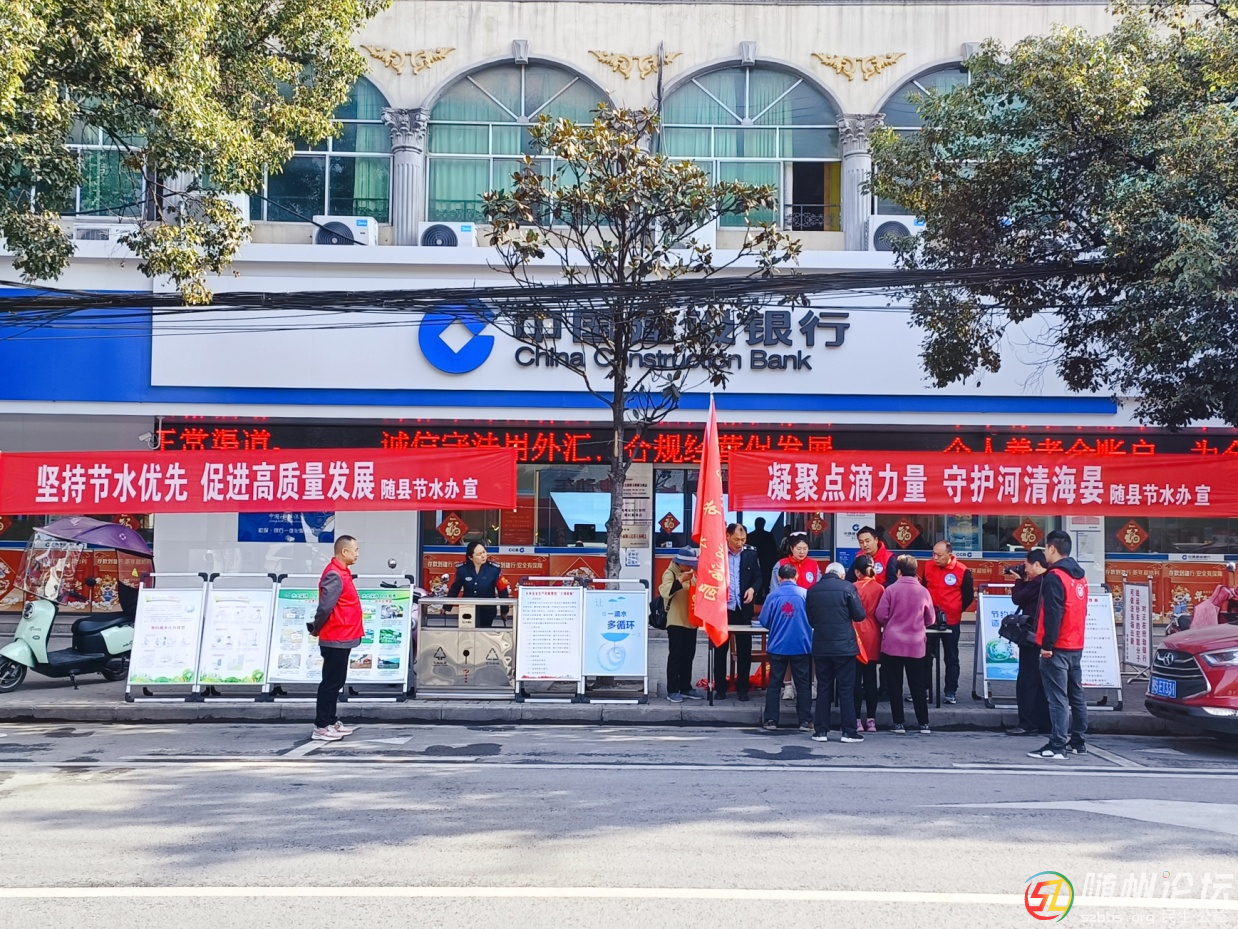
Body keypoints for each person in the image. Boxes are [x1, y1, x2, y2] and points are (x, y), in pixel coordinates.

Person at [1029, 530, 1089, 760]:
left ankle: (1057, 745)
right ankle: (1078, 742)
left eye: (1046, 548)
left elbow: (1053, 613)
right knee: (1076, 695)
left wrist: (1047, 645)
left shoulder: (1055, 576)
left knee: (1057, 698)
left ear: (1052, 548)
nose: (1045, 552)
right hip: (1076, 643)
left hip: (1058, 646)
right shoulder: (1080, 576)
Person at [307, 535, 362, 742]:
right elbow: (325, 607)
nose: (357, 554)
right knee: (331, 682)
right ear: (344, 551)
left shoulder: (342, 572)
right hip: (336, 635)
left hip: (343, 634)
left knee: (337, 681)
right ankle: (321, 726)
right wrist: (316, 628)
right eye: (355, 550)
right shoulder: (334, 574)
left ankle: (331, 720)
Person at [806, 562, 866, 743]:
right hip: (844, 647)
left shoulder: (812, 590)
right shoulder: (848, 588)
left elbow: (811, 620)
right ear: (841, 575)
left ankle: (820, 731)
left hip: (821, 645)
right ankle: (848, 732)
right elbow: (859, 615)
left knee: (823, 687)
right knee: (846, 689)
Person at [875, 554, 935, 734]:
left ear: (898, 571)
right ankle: (924, 723)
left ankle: (899, 724)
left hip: (893, 644)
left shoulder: (891, 590)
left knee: (895, 685)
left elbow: (881, 615)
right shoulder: (923, 591)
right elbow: (930, 619)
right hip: (916, 645)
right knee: (918, 685)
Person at [757, 563, 813, 731]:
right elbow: (813, 619)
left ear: (779, 578)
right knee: (803, 684)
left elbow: (764, 620)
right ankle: (805, 721)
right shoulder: (805, 594)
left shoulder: (773, 596)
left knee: (775, 684)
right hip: (801, 645)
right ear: (796, 576)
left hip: (778, 646)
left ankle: (771, 720)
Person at [714, 523, 762, 701]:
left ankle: (743, 689)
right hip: (723, 609)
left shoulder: (750, 554)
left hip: (743, 609)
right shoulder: (718, 554)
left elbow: (758, 577)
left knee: (744, 651)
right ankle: (720, 688)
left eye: (743, 539)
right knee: (720, 650)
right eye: (736, 539)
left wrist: (752, 589)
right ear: (727, 536)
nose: (740, 543)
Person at [922, 540, 975, 704]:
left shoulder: (962, 571)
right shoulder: (928, 566)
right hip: (930, 619)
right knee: (926, 656)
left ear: (949, 555)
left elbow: (968, 597)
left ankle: (950, 691)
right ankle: (924, 689)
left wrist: (955, 609)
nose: (935, 558)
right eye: (933, 554)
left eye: (939, 555)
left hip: (951, 621)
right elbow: (923, 589)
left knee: (951, 657)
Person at [771, 532, 821, 701]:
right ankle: (787, 686)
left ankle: (811, 685)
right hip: (787, 615)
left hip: (808, 616)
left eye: (805, 548)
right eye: (799, 548)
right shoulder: (781, 565)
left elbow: (818, 589)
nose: (802, 552)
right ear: (791, 548)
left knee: (810, 651)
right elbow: (774, 591)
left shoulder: (814, 565)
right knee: (786, 650)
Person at [1007, 550, 1050, 736]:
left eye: (1026, 566)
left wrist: (1018, 581)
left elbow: (1018, 598)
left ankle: (1027, 723)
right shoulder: (1048, 580)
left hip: (1033, 638)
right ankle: (1044, 723)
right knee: (1040, 682)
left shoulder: (1039, 581)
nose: (1025, 569)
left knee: (1027, 681)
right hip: (1044, 637)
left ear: (1037, 565)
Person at [660, 546, 705, 703]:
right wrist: (680, 580)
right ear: (679, 563)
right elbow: (664, 591)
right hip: (675, 621)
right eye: (687, 564)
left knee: (688, 656)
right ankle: (672, 689)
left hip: (691, 621)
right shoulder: (670, 573)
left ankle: (685, 687)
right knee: (676, 656)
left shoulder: (693, 574)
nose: (689, 566)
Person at [850, 554, 883, 733]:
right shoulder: (879, 588)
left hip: (855, 631)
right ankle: (871, 720)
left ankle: (856, 719)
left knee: (855, 679)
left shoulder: (852, 587)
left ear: (857, 572)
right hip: (873, 632)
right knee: (871, 678)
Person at [448, 541, 510, 628]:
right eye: (478, 554)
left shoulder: (494, 569)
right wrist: (446, 607)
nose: (483, 556)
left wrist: (504, 611)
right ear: (470, 557)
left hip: (487, 611)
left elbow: (503, 591)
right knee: (467, 633)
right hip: (467, 610)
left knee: (484, 633)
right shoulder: (463, 569)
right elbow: (455, 589)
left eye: (484, 552)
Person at [747, 517, 779, 597]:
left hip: (756, 562)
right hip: (766, 562)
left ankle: (759, 597)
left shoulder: (750, 536)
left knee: (757, 580)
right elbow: (774, 550)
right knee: (766, 581)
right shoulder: (769, 535)